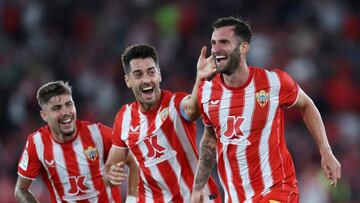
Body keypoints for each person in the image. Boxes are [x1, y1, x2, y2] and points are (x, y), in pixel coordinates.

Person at [190, 16, 342, 203]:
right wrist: (198, 187)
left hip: (277, 190)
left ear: (244, 47)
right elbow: (210, 137)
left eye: (224, 42)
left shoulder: (273, 82)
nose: (215, 49)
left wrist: (325, 150)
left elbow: (306, 104)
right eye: (213, 43)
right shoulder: (207, 92)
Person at [103, 44, 220, 202]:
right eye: (138, 74)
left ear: (159, 75)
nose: (146, 80)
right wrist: (110, 174)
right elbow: (110, 169)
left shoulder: (175, 103)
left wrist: (200, 78)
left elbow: (192, 108)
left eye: (151, 72)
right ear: (128, 81)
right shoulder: (124, 117)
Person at [14, 81, 138, 203]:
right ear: (44, 115)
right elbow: (21, 189)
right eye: (57, 108)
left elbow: (136, 159)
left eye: (69, 104)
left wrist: (132, 200)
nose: (65, 112)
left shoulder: (98, 134)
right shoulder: (36, 143)